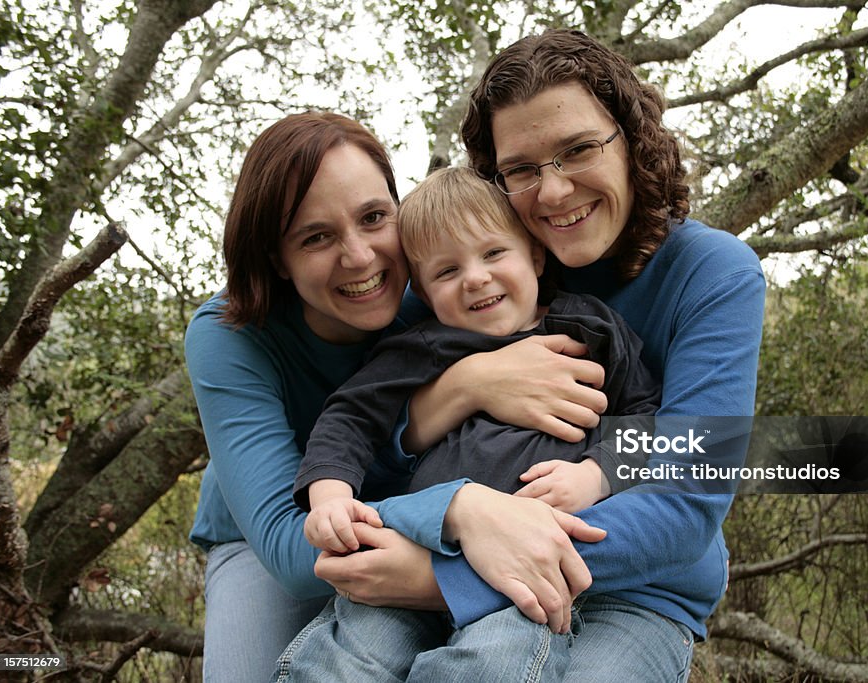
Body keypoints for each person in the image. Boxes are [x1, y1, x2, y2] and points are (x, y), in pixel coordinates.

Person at [289, 28, 766, 682]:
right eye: (520, 169)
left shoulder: (712, 274)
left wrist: (443, 575)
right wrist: (466, 385)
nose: (554, 191)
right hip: (460, 540)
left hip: (635, 584)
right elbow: (364, 431)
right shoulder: (467, 280)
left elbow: (687, 493)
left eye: (578, 150)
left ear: (631, 138)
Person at [185, 112, 608, 683]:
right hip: (286, 535)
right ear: (275, 258)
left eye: (374, 218)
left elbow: (671, 433)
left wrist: (599, 472)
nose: (360, 258)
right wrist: (459, 494)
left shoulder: (440, 292)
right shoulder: (228, 334)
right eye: (316, 237)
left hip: (415, 511)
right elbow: (292, 550)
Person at [283, 167, 659, 681]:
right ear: (423, 292)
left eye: (493, 253)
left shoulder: (590, 329)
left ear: (534, 253)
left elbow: (648, 422)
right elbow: (350, 417)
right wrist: (330, 497)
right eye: (446, 271)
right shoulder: (422, 347)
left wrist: (595, 474)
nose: (475, 277)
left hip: (523, 563)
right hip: (416, 546)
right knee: (348, 656)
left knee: (496, 660)